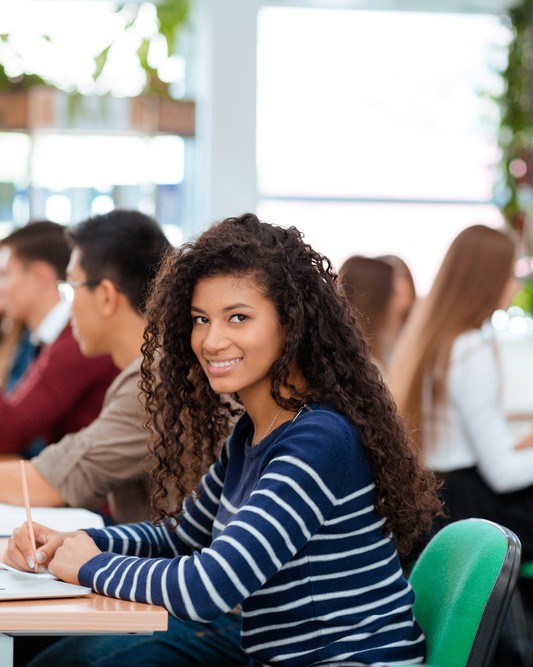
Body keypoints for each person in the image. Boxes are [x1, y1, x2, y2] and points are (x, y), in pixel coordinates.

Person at [6, 214, 441, 667]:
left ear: (292, 323)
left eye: (238, 317)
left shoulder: (318, 439)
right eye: (200, 319)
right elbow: (178, 538)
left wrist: (88, 565)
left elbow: (209, 588)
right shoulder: (251, 435)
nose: (212, 340)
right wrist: (73, 541)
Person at [0, 209, 171, 524]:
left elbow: (46, 481)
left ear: (106, 296)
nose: (68, 306)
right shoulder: (152, 365)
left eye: (71, 288)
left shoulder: (154, 380)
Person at [388, 224, 533, 559]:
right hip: (473, 511)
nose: (514, 286)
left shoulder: (435, 342)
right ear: (487, 280)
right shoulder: (472, 349)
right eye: (509, 274)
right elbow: (503, 474)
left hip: (442, 505)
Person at [0, 221, 119, 455]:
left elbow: (7, 433)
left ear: (39, 276)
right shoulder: (41, 338)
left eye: (4, 274)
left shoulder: (76, 342)